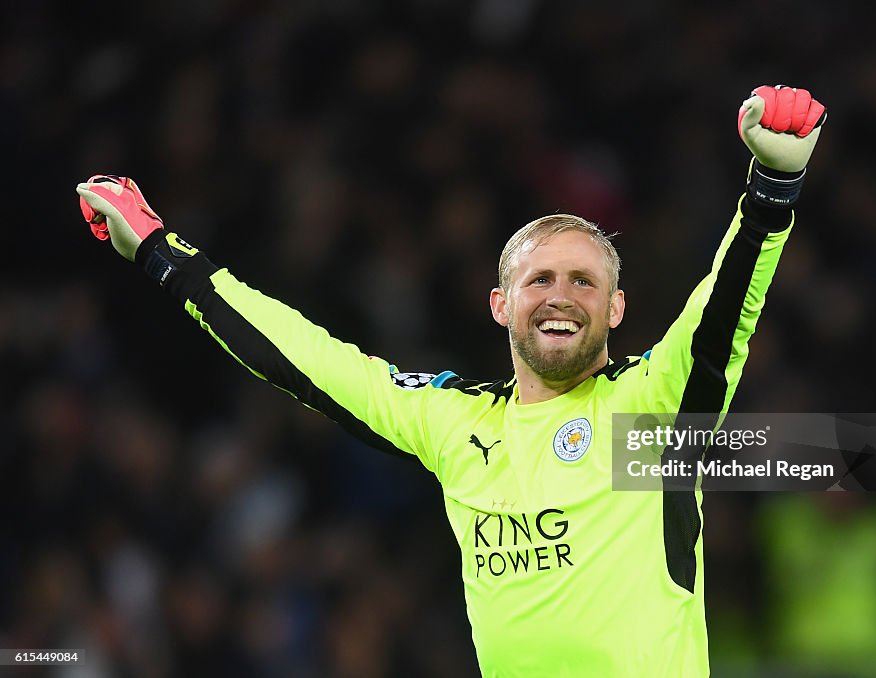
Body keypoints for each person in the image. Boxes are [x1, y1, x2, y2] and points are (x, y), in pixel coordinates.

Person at [76, 84, 826, 677]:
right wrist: (161, 253)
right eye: (539, 279)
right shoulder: (456, 424)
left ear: (618, 307)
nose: (561, 295)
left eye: (585, 282)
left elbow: (723, 317)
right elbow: (300, 356)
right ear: (501, 304)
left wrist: (770, 190)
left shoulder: (648, 414)